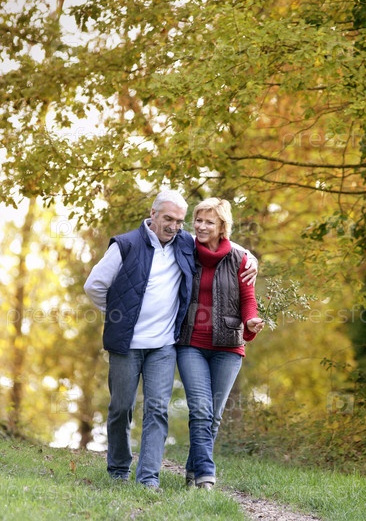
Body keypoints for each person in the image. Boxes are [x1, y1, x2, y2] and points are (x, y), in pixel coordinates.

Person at [83, 190, 257, 489]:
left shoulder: (183, 242)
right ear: (153, 214)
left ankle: (148, 478)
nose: (174, 226)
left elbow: (222, 242)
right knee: (121, 408)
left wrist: (251, 258)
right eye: (168, 219)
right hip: (127, 343)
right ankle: (119, 470)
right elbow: (94, 285)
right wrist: (117, 314)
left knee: (157, 410)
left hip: (163, 344)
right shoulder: (126, 244)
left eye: (179, 221)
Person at [176, 197, 264, 490]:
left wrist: (251, 321)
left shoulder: (240, 258)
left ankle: (192, 471)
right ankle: (206, 475)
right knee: (201, 409)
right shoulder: (185, 250)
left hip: (228, 346)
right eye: (198, 220)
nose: (201, 226)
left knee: (213, 415)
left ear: (222, 226)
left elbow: (248, 298)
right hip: (191, 342)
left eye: (208, 222)